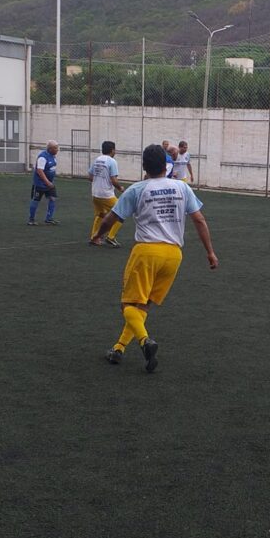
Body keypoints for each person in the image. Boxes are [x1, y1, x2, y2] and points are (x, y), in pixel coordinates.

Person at [97, 143, 218, 372]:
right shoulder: (182, 187)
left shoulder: (137, 189)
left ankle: (145, 342)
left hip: (147, 252)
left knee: (127, 305)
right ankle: (119, 348)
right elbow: (199, 220)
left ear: (144, 166)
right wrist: (210, 252)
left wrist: (98, 235)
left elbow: (110, 220)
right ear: (166, 165)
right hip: (173, 255)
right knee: (143, 305)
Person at [88, 140, 124, 247]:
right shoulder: (112, 161)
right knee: (121, 213)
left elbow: (90, 177)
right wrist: (120, 188)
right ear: (112, 150)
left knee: (101, 214)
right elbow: (113, 180)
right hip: (106, 194)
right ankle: (110, 237)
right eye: (115, 150)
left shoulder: (97, 160)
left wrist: (99, 181)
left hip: (95, 193)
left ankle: (94, 238)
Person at [28, 141, 59, 225]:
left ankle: (49, 218)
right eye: (56, 148)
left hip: (50, 183)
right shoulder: (43, 157)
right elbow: (39, 171)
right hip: (40, 184)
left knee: (52, 198)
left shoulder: (53, 156)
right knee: (36, 200)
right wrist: (47, 182)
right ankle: (31, 220)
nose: (57, 150)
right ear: (50, 149)